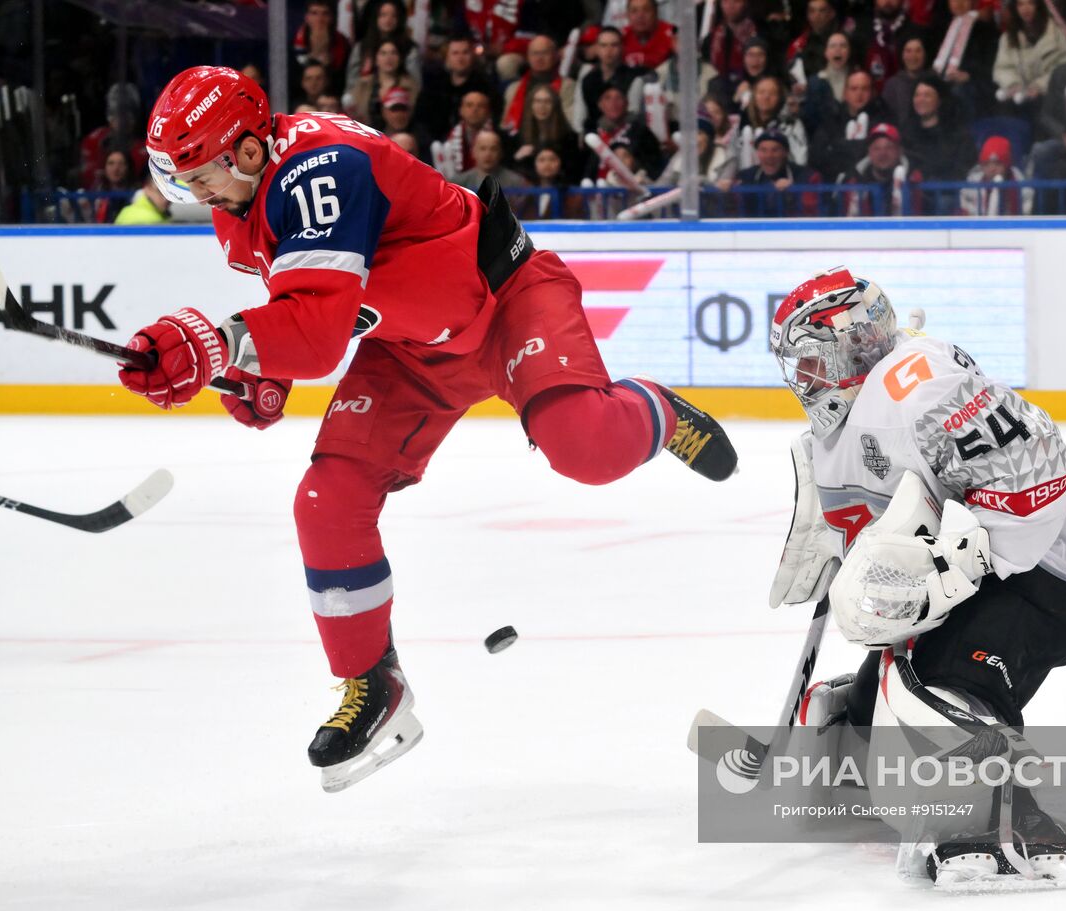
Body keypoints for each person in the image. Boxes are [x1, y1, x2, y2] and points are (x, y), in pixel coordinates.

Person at [123, 66, 739, 793]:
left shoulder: (320, 169)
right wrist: (269, 371)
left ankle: (654, 410)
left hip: (506, 301)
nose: (192, 194)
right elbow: (311, 300)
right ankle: (372, 685)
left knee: (587, 448)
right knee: (328, 499)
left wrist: (220, 342)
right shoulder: (245, 199)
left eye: (196, 174)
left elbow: (319, 333)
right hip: (410, 351)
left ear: (248, 152)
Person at [766, 266, 1066, 887]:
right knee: (873, 715)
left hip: (1040, 581)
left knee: (928, 690)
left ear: (853, 340)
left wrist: (950, 567)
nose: (803, 378)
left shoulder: (919, 388)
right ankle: (863, 754)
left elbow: (1041, 469)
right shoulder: (834, 428)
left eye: (812, 359)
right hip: (972, 590)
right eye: (797, 365)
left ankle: (1003, 822)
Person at [992, 0, 1066, 121]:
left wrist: (1040, 86)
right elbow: (1002, 67)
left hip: (1049, 97)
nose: (1026, 9)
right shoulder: (1007, 38)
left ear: (1038, 6)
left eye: (1030, 3)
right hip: (1019, 97)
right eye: (1020, 4)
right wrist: (1013, 84)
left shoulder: (1056, 34)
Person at [733, 128, 822, 216]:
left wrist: (793, 192)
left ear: (785, 153)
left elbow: (812, 214)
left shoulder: (806, 176)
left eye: (775, 150)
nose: (769, 155)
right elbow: (735, 210)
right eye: (763, 150)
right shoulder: (745, 176)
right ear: (758, 153)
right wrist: (726, 193)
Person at [960, 134, 1026, 216]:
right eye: (986, 164)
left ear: (1006, 165)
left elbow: (1026, 212)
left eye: (998, 164)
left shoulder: (1021, 184)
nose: (992, 169)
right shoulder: (971, 185)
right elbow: (966, 212)